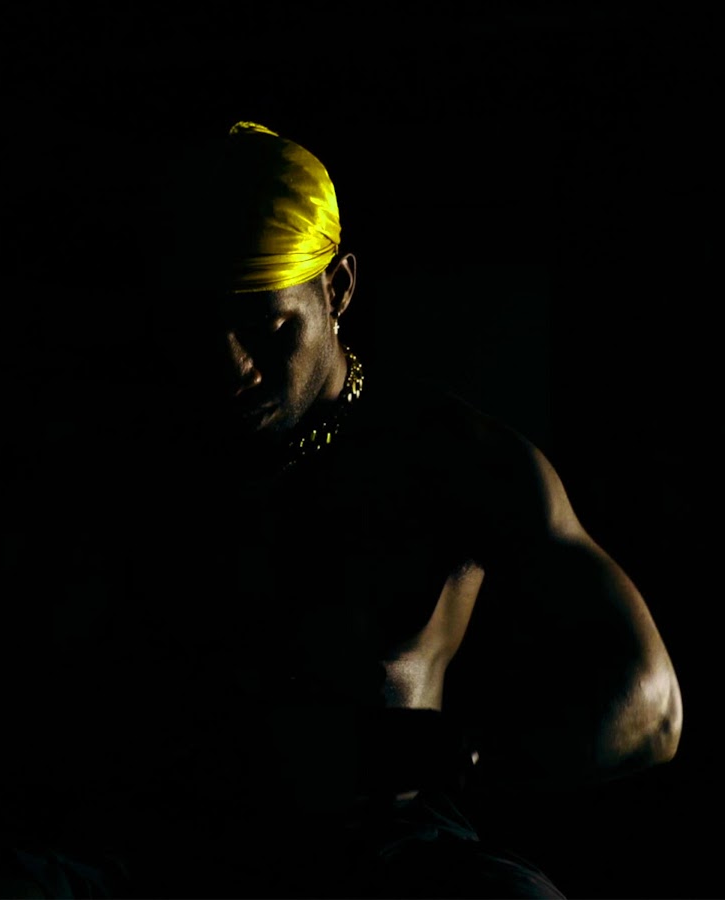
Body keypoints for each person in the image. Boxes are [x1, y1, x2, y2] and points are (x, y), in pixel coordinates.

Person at [109, 119, 682, 898]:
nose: (233, 366)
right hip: (159, 844)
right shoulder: (143, 455)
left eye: (268, 327)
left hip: (382, 847)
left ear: (338, 288)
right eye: (203, 329)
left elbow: (651, 707)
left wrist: (439, 757)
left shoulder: (453, 459)